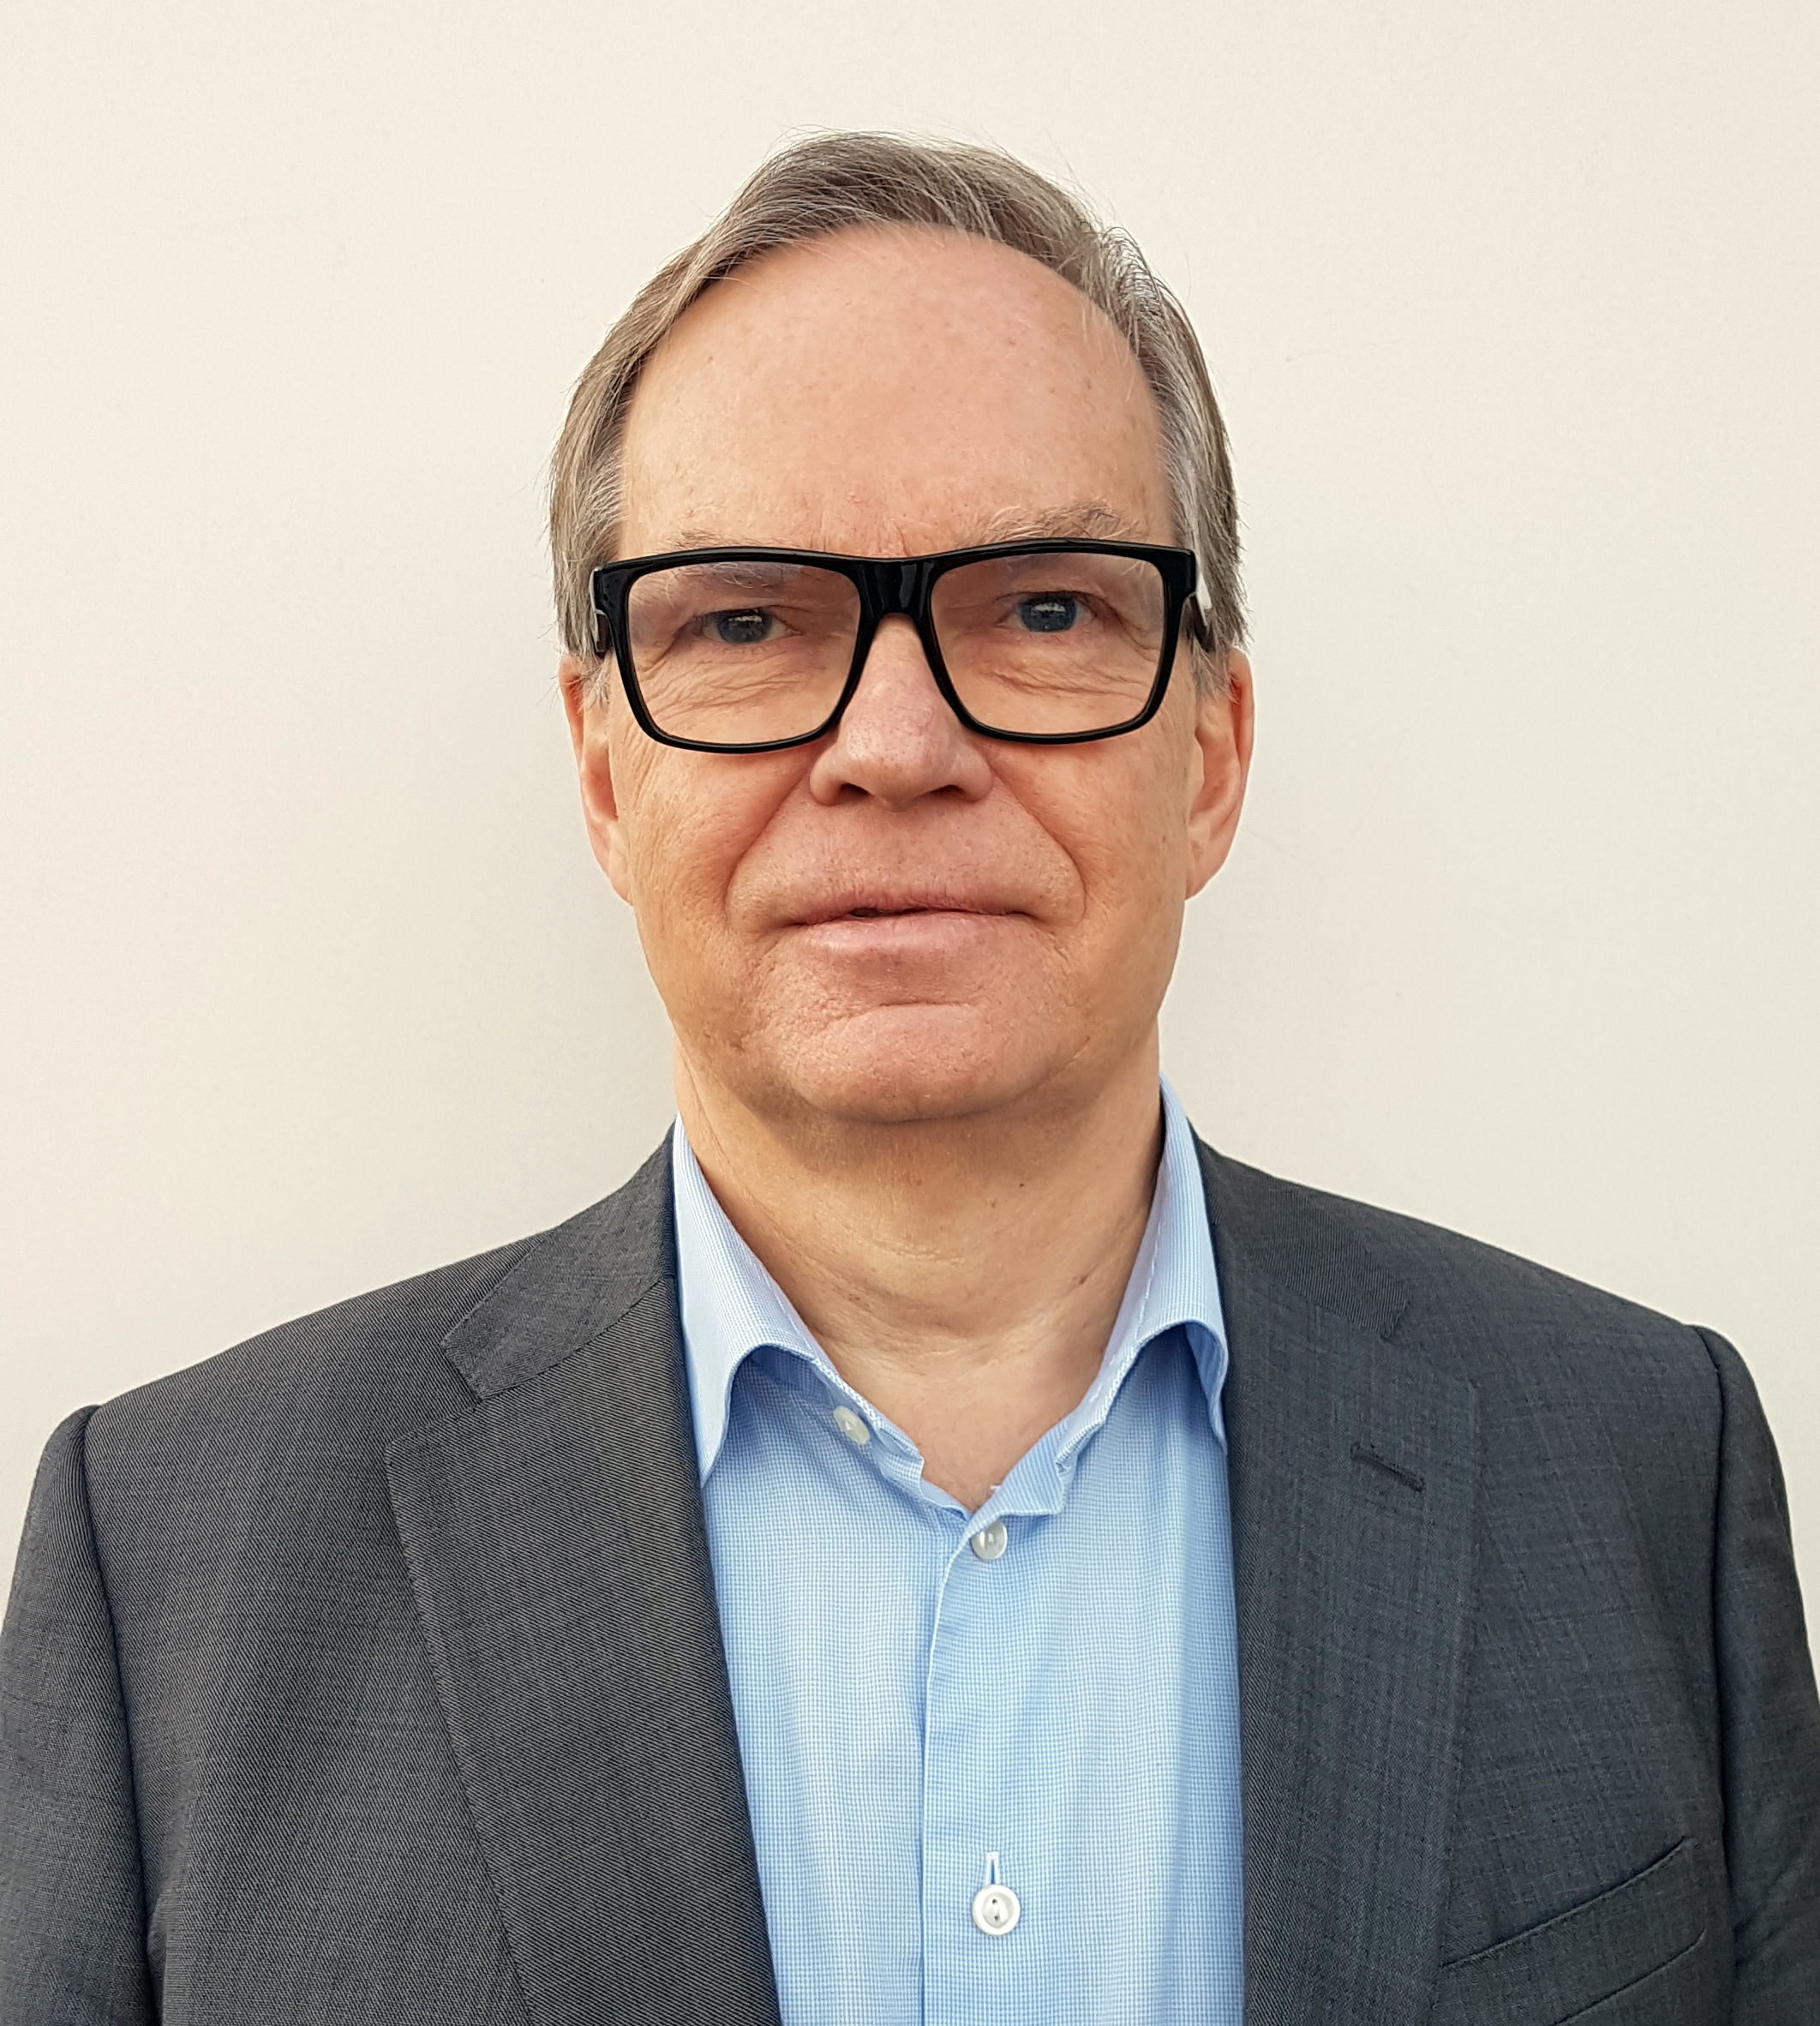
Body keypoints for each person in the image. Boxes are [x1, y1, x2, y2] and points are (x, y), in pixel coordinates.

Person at [3, 130, 1816, 2026]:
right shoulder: (174, 1564)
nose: (894, 744)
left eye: (1043, 611)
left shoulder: (1642, 1467)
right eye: (743, 620)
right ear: (607, 776)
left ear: (1211, 756)